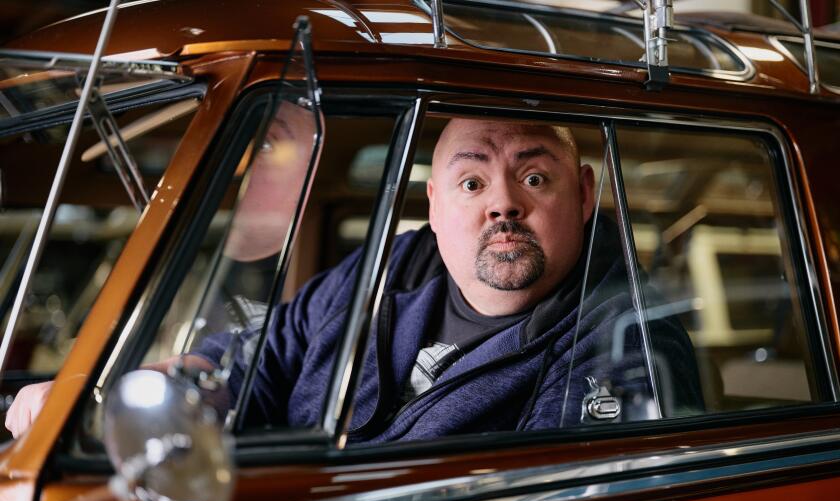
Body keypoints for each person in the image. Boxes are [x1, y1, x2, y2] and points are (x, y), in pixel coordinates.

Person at [6, 117, 703, 441]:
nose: (502, 203)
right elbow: (258, 356)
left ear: (582, 195)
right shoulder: (387, 269)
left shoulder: (626, 343)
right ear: (433, 203)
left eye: (533, 176)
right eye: (470, 179)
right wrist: (127, 400)